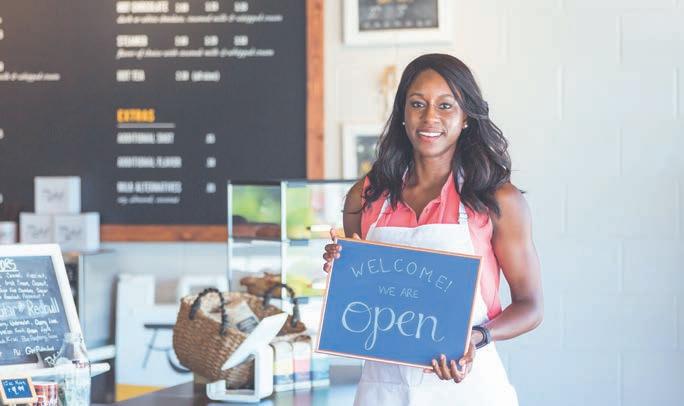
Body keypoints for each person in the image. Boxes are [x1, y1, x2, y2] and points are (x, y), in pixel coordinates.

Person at [322, 54, 543, 405]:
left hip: (468, 389)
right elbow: (360, 298)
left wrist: (477, 338)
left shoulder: (498, 199)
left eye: (445, 105)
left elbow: (531, 307)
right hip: (382, 391)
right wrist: (340, 265)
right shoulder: (366, 195)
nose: (429, 118)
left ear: (466, 116)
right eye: (417, 104)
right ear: (403, 113)